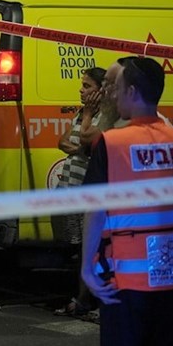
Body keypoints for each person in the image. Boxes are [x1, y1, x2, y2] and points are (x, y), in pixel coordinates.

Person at [81, 56, 173, 346]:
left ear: (134, 92)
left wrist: (86, 269)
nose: (113, 94)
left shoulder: (113, 143)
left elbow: (95, 210)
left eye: (118, 88)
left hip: (124, 283)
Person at [54, 67, 106, 320]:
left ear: (100, 90)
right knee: (78, 249)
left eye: (87, 86)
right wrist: (78, 150)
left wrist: (86, 117)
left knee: (90, 249)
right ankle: (81, 298)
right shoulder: (81, 113)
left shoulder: (104, 117)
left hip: (89, 192)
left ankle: (88, 301)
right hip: (71, 188)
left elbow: (88, 141)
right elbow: (63, 142)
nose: (81, 90)